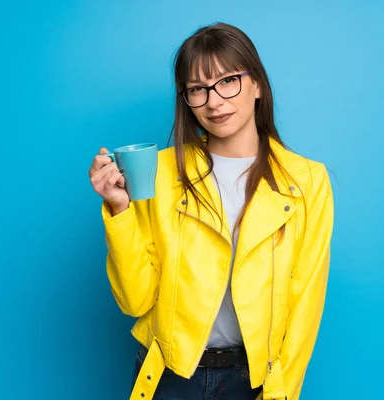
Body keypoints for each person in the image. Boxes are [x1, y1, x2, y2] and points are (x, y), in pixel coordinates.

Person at [88, 22, 334, 400]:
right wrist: (121, 210)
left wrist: (282, 393)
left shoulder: (307, 181)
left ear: (257, 85)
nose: (214, 101)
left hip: (255, 380)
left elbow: (305, 306)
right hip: (170, 377)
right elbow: (135, 300)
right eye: (197, 90)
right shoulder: (161, 171)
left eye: (228, 81)